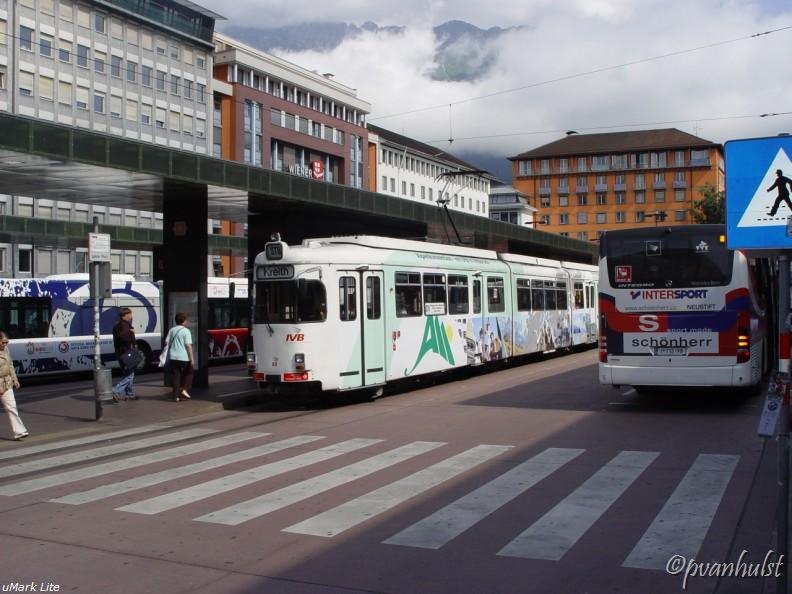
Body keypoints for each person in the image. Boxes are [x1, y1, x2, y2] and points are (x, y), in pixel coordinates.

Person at [0, 331, 27, 440]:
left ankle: (19, 432)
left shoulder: (6, 350)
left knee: (12, 406)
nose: (5, 344)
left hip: (6, 382)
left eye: (7, 342)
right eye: (3, 342)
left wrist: (15, 379)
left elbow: (10, 365)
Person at [165, 312, 194, 402]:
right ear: (184, 321)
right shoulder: (186, 331)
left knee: (176, 376)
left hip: (173, 357)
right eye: (186, 320)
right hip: (184, 357)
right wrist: (192, 358)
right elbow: (188, 345)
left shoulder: (172, 330)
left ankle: (175, 396)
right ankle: (184, 389)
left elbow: (166, 342)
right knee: (189, 373)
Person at [112, 307, 137, 401]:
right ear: (125, 315)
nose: (131, 316)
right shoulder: (124, 326)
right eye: (130, 314)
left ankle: (129, 394)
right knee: (130, 375)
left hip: (120, 353)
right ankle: (115, 390)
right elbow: (124, 338)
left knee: (127, 373)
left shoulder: (117, 325)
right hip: (126, 352)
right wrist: (132, 333)